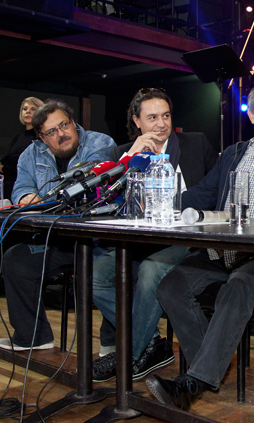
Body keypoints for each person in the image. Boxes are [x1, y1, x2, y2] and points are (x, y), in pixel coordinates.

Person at [145, 82, 254, 410]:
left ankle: (193, 382)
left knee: (236, 287)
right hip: (220, 251)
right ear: (251, 115)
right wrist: (161, 205)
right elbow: (203, 193)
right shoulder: (234, 154)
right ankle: (208, 365)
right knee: (170, 287)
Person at [91, 88, 217, 382]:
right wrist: (131, 157)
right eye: (152, 118)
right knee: (93, 275)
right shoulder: (123, 154)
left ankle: (129, 353)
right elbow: (108, 200)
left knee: (150, 272)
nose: (161, 124)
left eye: (166, 116)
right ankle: (151, 342)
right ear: (137, 121)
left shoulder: (196, 143)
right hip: (141, 242)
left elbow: (215, 190)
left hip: (188, 239)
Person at [0, 100, 116, 351]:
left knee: (111, 270)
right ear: (41, 137)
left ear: (73, 122)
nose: (61, 134)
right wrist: (26, 197)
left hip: (99, 240)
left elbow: (88, 188)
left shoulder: (100, 144)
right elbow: (21, 189)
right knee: (15, 260)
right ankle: (33, 337)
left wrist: (47, 201)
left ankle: (114, 342)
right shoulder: (30, 154)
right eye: (52, 131)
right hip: (58, 238)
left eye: (64, 125)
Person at [0, 97, 44, 196]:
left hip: (30, 190)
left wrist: (8, 163)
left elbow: (27, 165)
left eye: (33, 109)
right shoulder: (16, 138)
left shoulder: (41, 139)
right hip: (9, 187)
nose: (28, 111)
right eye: (25, 109)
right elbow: (3, 164)